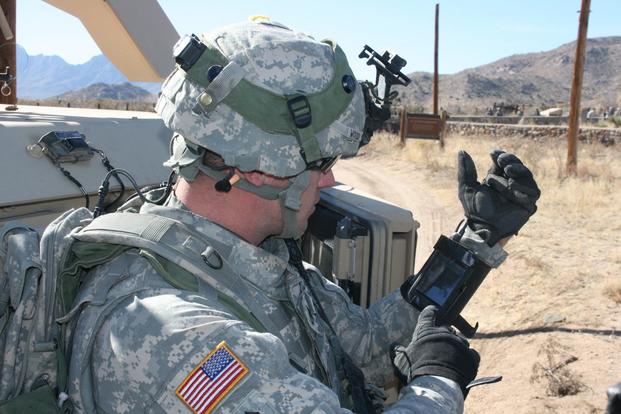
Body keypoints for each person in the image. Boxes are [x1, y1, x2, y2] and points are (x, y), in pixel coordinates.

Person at [66, 19, 539, 413]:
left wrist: (474, 241)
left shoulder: (261, 260)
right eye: (322, 165)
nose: (330, 183)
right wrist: (439, 382)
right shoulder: (181, 338)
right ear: (263, 168)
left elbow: (372, 349)